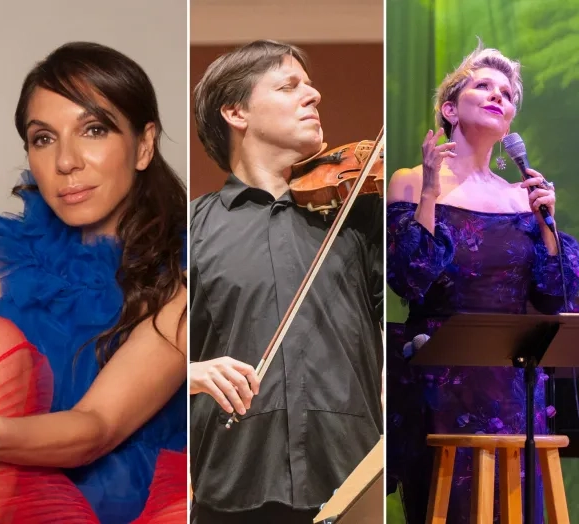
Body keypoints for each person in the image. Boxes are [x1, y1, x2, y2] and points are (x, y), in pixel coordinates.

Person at [189, 39, 383, 523]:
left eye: (311, 85)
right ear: (235, 112)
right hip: (233, 482)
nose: (314, 95)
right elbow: (115, 354)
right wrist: (186, 374)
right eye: (290, 85)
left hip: (351, 478)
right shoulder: (189, 228)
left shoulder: (358, 215)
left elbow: (411, 312)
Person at [0, 42, 188, 524]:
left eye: (93, 130)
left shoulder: (186, 279)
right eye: (43, 139)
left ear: (144, 145)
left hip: (127, 502)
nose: (66, 162)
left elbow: (95, 429)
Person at [386, 43, 579, 523]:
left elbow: (556, 296)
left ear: (510, 122)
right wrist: (431, 191)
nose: (499, 96)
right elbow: (409, 279)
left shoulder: (523, 197)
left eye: (508, 93)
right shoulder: (411, 181)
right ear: (450, 109)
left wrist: (548, 226)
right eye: (483, 85)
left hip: (514, 383)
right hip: (441, 377)